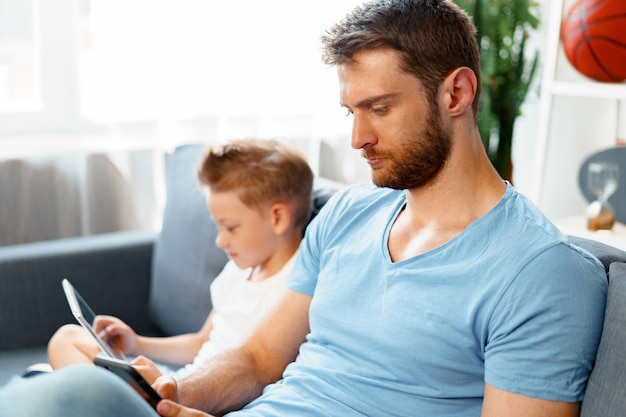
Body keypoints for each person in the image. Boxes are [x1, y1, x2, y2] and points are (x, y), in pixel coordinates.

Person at [0, 1, 608, 416]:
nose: (357, 138)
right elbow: (262, 357)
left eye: (380, 108)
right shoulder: (347, 215)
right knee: (52, 393)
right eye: (351, 112)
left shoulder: (541, 272)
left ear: (456, 91)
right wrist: (174, 390)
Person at [45, 137, 314, 383]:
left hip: (206, 393)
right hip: (183, 380)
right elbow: (200, 343)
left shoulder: (296, 286)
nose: (220, 240)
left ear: (278, 218)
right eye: (217, 227)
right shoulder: (240, 269)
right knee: (68, 339)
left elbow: (264, 371)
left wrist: (178, 389)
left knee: (73, 376)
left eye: (230, 227)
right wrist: (136, 344)